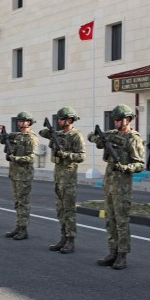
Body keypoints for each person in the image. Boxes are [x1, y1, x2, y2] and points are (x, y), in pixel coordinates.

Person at [88, 104, 144, 269]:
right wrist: (100, 140)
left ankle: (122, 255)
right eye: (115, 119)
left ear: (127, 120)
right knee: (110, 220)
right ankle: (112, 251)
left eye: (119, 119)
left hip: (122, 186)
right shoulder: (111, 135)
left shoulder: (133, 138)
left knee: (121, 221)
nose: (116, 122)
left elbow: (139, 164)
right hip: (109, 183)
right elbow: (92, 136)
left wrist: (126, 168)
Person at [39, 106, 86, 253]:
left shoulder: (76, 136)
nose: (59, 121)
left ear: (70, 120)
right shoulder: (58, 134)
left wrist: (65, 154)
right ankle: (63, 237)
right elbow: (42, 132)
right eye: (58, 119)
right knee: (60, 209)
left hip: (68, 175)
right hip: (58, 174)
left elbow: (81, 156)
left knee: (69, 209)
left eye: (62, 119)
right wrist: (51, 133)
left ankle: (70, 240)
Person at [0, 112, 39, 240]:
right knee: (17, 202)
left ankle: (23, 229)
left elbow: (31, 158)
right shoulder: (16, 135)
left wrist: (15, 158)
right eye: (19, 121)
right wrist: (3, 136)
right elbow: (1, 136)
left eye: (23, 121)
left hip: (24, 175)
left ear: (29, 122)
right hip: (15, 174)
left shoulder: (31, 138)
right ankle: (18, 226)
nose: (20, 123)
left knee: (23, 203)